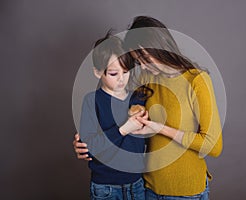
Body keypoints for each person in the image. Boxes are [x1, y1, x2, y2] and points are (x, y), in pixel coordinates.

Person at [74, 16, 223, 200]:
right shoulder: (146, 80)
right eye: (138, 61)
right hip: (148, 188)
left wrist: (160, 128)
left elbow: (213, 146)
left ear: (160, 46)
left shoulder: (197, 81)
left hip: (185, 192)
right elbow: (117, 110)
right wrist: (84, 143)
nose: (142, 66)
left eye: (144, 58)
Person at [77, 31, 149, 200]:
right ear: (97, 72)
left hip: (137, 183)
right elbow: (90, 147)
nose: (121, 79)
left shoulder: (138, 98)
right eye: (113, 74)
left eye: (126, 72)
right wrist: (124, 129)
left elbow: (147, 141)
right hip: (105, 187)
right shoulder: (92, 101)